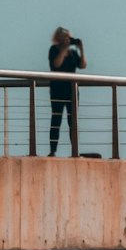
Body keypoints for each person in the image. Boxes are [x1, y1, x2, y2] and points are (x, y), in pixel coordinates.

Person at [47, 27, 87, 155]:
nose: (69, 40)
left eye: (70, 38)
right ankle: (52, 151)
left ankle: (75, 150)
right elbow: (56, 65)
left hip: (72, 90)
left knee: (73, 121)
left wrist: (81, 49)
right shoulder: (54, 50)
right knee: (56, 119)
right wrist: (64, 49)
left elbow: (82, 65)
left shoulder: (73, 53)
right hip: (57, 89)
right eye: (66, 38)